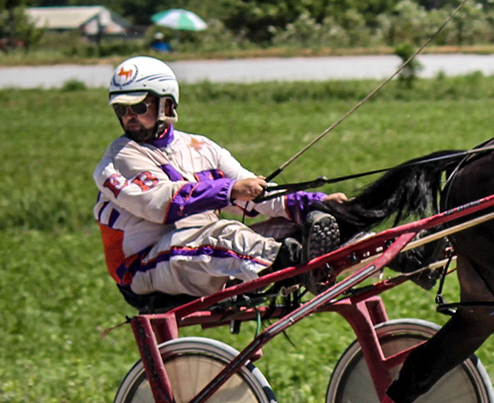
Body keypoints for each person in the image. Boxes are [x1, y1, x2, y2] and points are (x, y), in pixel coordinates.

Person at [92, 57, 342, 307]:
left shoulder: (202, 148)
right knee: (227, 235)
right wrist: (231, 189)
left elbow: (256, 195)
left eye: (138, 107)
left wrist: (318, 203)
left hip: (194, 255)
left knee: (295, 227)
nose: (129, 117)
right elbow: (161, 203)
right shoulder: (120, 157)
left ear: (166, 105)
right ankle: (301, 264)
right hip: (144, 268)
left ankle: (348, 248)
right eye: (121, 110)